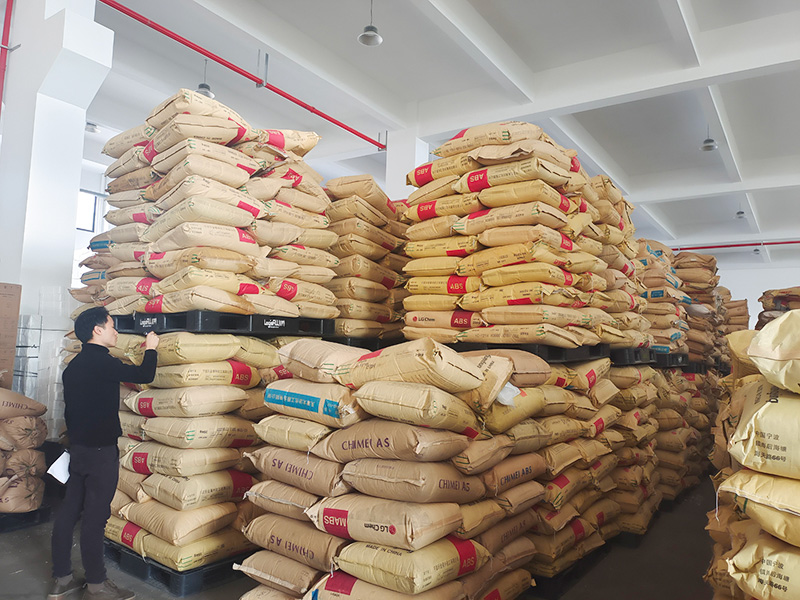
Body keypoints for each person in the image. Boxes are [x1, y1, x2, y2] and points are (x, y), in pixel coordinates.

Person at [49, 307, 159, 600]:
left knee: (69, 511)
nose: (116, 332)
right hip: (100, 454)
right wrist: (151, 348)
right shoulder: (103, 363)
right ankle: (97, 586)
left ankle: (61, 579)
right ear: (97, 330)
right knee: (96, 518)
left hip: (78, 450)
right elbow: (144, 374)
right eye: (112, 326)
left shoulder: (73, 367)